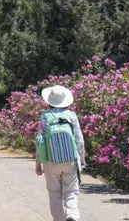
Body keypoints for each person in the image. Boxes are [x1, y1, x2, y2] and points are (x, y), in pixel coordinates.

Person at [34, 85, 86, 221]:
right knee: (71, 192)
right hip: (70, 160)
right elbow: (79, 139)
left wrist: (38, 163)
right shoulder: (71, 115)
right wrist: (81, 158)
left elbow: (40, 141)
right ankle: (72, 215)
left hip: (51, 161)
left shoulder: (45, 116)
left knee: (54, 194)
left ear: (49, 101)